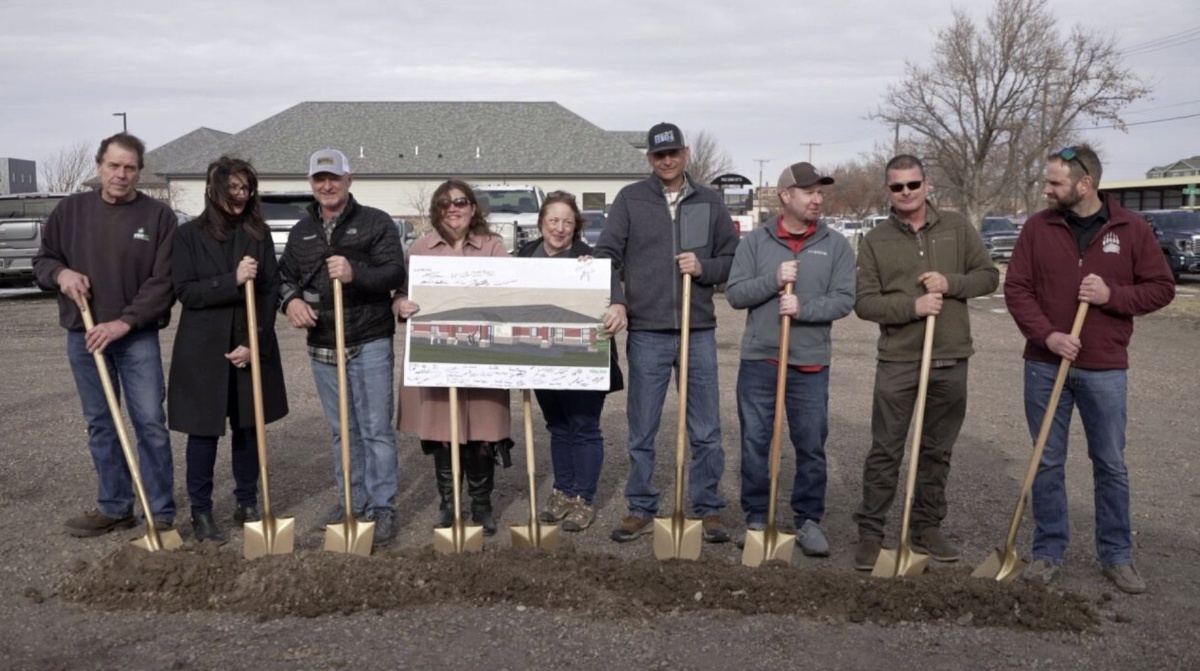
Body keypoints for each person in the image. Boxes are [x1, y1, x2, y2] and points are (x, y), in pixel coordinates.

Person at [1005, 145, 1174, 594]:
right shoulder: (1037, 229)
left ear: (1085, 184)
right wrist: (1048, 336)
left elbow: (1161, 289)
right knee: (1047, 461)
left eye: (1055, 182)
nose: (1046, 189)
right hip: (1045, 365)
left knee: (1110, 463)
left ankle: (1117, 556)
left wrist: (1111, 296)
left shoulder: (1131, 229)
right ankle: (1047, 552)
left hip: (1104, 368)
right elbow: (1017, 289)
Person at [593, 122, 740, 544]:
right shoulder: (630, 200)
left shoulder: (709, 201)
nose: (667, 160)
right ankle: (641, 505)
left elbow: (732, 257)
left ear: (686, 153)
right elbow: (607, 254)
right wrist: (617, 299)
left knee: (706, 428)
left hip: (698, 331)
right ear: (649, 159)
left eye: (673, 152)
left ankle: (708, 508)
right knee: (642, 427)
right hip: (648, 331)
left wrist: (704, 268)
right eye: (659, 155)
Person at [851, 154, 998, 570]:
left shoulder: (956, 227)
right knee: (886, 448)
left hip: (950, 356)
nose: (906, 193)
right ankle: (872, 532)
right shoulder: (877, 239)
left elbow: (988, 276)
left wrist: (951, 284)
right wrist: (912, 306)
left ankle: (927, 527)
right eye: (897, 187)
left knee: (937, 449)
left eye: (912, 185)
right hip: (899, 358)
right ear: (888, 191)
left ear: (926, 184)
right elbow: (864, 303)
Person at [33, 133, 177, 536]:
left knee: (149, 421)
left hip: (135, 338)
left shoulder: (158, 216)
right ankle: (115, 506)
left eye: (130, 167)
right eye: (114, 166)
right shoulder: (71, 211)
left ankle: (160, 512)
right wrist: (61, 274)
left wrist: (124, 322)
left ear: (139, 171)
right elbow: (44, 260)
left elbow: (163, 282)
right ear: (99, 167)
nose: (121, 174)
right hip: (85, 337)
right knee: (101, 423)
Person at [725, 163, 856, 555]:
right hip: (761, 359)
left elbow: (845, 299)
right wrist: (773, 279)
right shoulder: (756, 243)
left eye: (820, 192)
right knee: (755, 441)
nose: (817, 199)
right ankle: (755, 515)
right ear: (786, 196)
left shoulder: (835, 245)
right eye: (808, 192)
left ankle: (808, 519)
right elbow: (734, 294)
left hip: (810, 363)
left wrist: (803, 308)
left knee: (811, 444)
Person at [278, 149, 405, 547]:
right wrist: (291, 302)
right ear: (311, 183)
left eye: (334, 177)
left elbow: (394, 271)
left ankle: (382, 506)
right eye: (319, 179)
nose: (327, 185)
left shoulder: (375, 222)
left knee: (376, 429)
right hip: (323, 344)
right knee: (341, 431)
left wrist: (356, 273)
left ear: (349, 179)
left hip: (368, 338)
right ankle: (351, 498)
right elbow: (284, 279)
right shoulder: (301, 233)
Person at [167, 157, 288, 543]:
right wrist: (231, 280)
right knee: (203, 433)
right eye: (233, 188)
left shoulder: (258, 234)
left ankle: (247, 502)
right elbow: (185, 292)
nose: (241, 195)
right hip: (204, 350)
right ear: (213, 189)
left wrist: (254, 343)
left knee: (248, 428)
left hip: (248, 341)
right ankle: (201, 513)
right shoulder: (188, 236)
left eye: (246, 187)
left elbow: (269, 291)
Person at [396, 179, 514, 536]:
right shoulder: (419, 249)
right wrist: (400, 305)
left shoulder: (493, 248)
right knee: (443, 432)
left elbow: (511, 292)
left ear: (473, 208)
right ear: (437, 211)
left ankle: (481, 504)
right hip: (437, 354)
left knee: (482, 431)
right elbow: (402, 292)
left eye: (461, 202)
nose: (453, 208)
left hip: (483, 355)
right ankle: (449, 503)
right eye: (445, 204)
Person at [516, 191, 626, 532]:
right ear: (541, 223)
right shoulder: (524, 256)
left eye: (566, 221)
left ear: (575, 225)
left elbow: (615, 295)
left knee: (584, 427)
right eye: (553, 221)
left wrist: (614, 302)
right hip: (540, 357)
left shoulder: (590, 260)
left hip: (583, 359)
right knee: (558, 426)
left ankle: (583, 499)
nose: (560, 228)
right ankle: (562, 491)